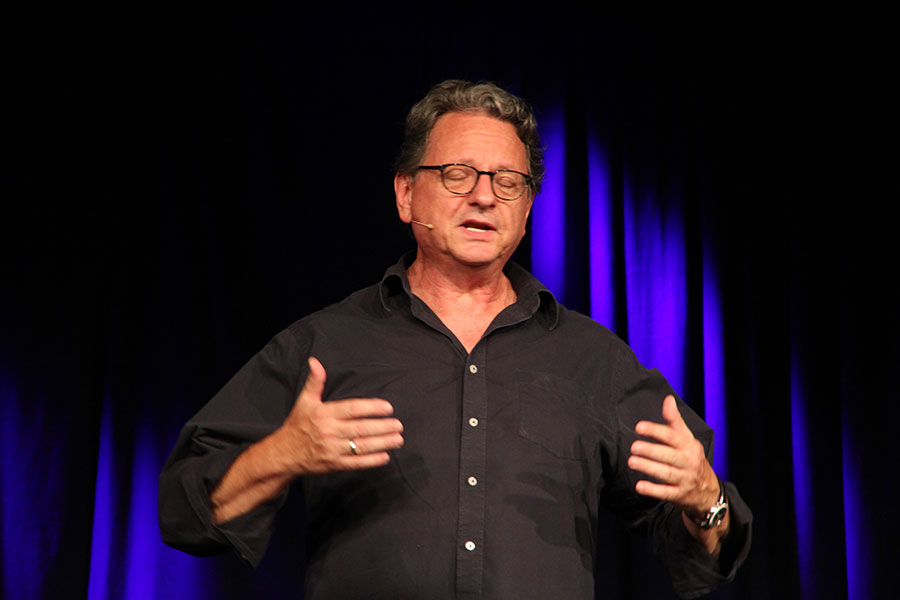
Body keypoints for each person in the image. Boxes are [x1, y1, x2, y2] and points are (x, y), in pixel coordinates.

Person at [159, 79, 751, 599]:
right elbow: (185, 511)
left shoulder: (593, 360)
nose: (484, 195)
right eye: (457, 174)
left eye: (508, 182)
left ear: (527, 209)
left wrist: (707, 500)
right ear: (405, 194)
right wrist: (280, 455)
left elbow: (709, 550)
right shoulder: (327, 344)